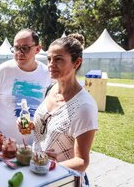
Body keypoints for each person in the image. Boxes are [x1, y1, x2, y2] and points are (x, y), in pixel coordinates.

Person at [24, 34, 98, 186]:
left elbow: (81, 161)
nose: (51, 64)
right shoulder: (51, 88)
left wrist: (48, 165)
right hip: (39, 176)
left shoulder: (84, 106)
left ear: (76, 63)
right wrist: (31, 125)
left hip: (62, 181)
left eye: (58, 59)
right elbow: (50, 126)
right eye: (49, 59)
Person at [0, 29, 52, 144]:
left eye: (25, 48)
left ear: (37, 49)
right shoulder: (3, 70)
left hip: (35, 146)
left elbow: (51, 109)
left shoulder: (47, 74)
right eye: (16, 48)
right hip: (3, 145)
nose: (19, 52)